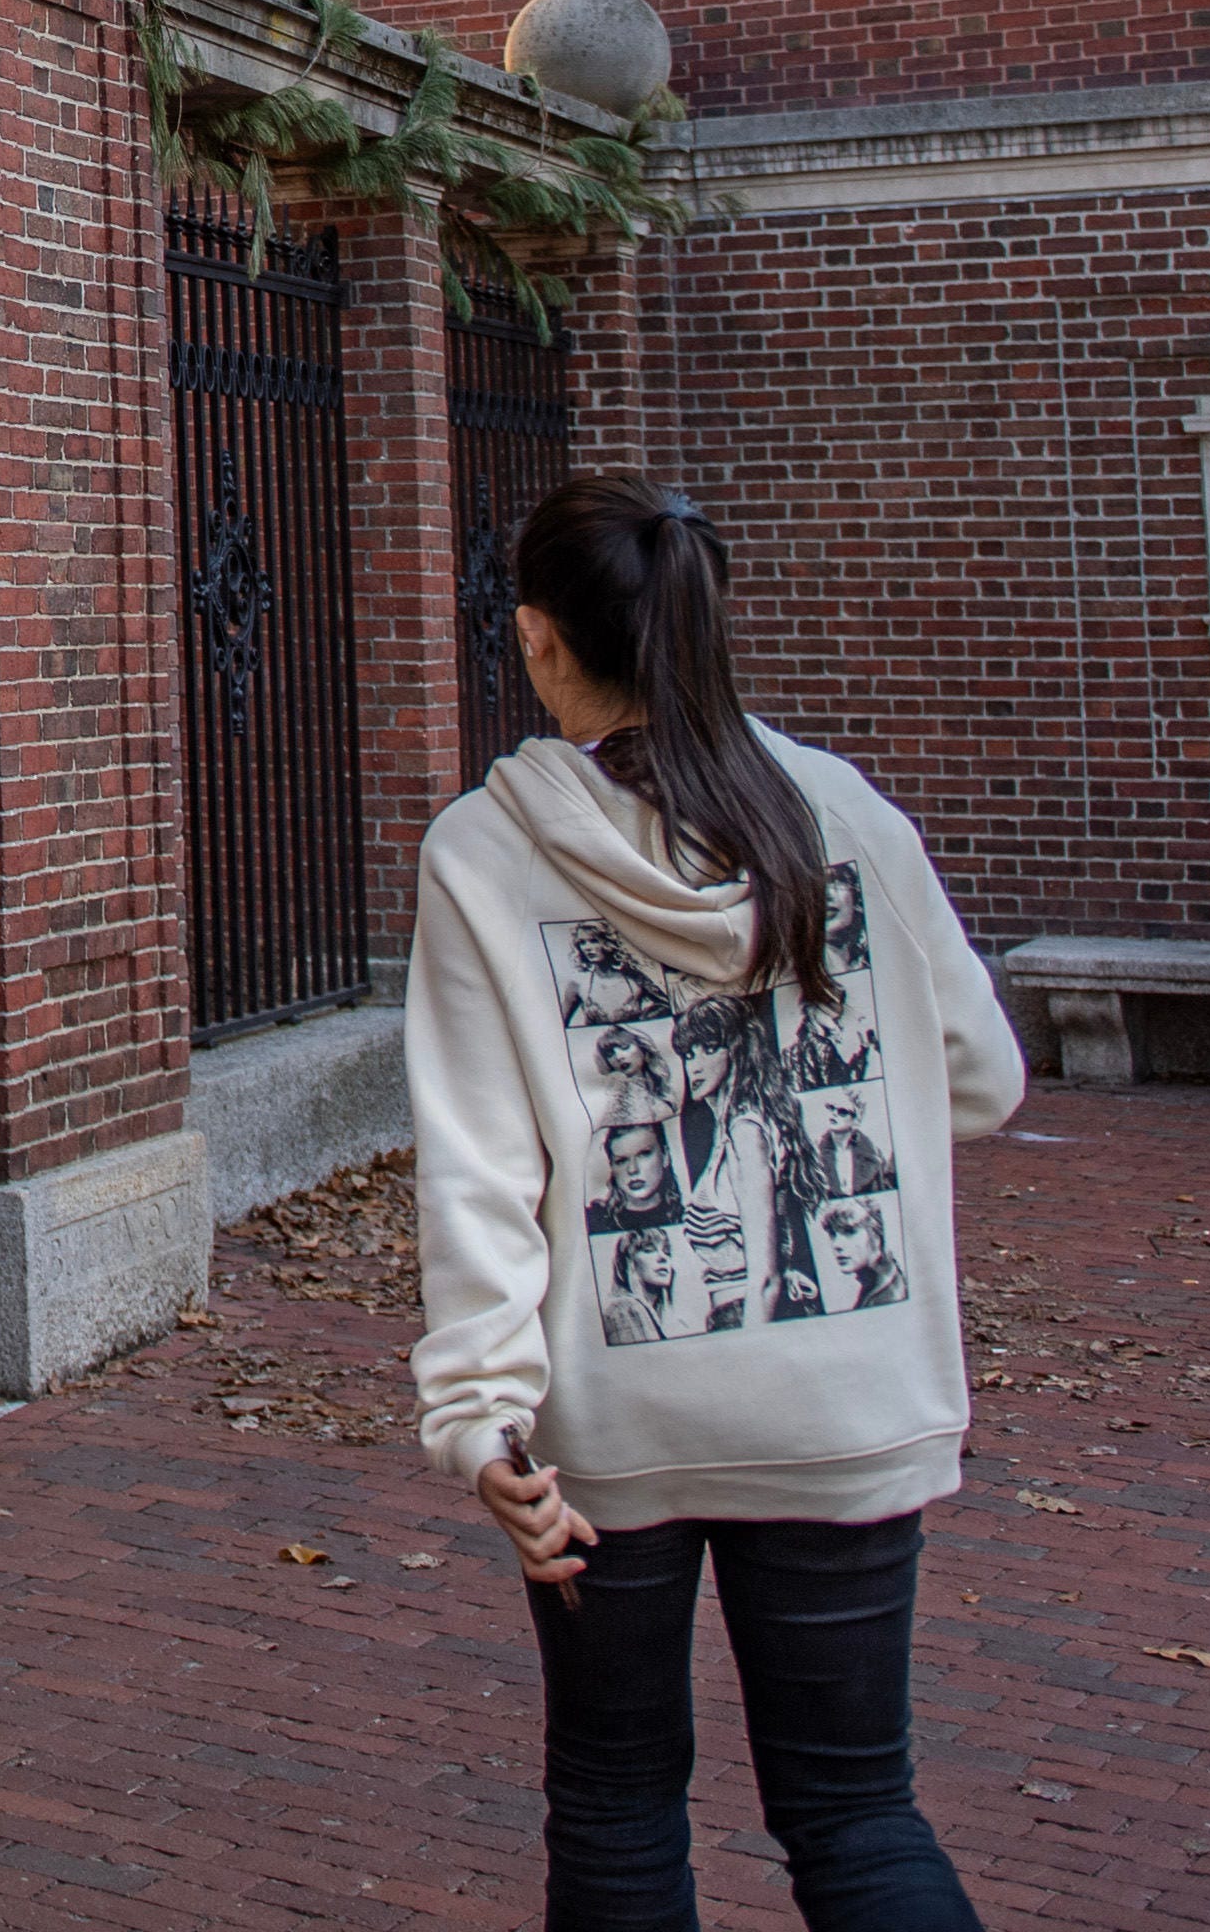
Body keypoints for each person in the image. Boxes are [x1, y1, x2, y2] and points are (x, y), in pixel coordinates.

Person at [407, 475, 1025, 1929]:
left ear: (537, 638)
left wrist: (480, 1414)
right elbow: (984, 1080)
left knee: (619, 1806)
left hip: (616, 1425)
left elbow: (483, 1165)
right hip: (847, 1384)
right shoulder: (840, 815)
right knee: (861, 1815)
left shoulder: (488, 854)